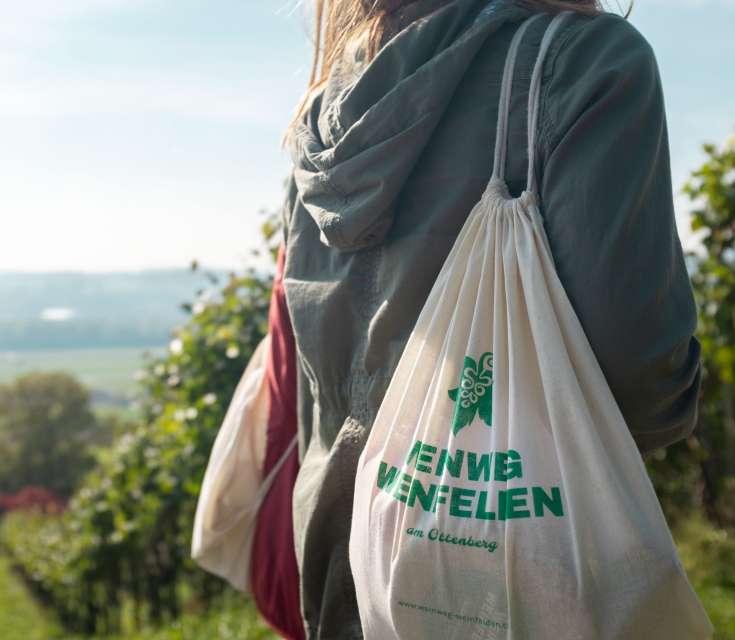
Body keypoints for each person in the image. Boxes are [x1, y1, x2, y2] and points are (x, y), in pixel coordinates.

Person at [276, 0, 701, 637]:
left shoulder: (324, 113)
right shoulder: (581, 63)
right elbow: (641, 383)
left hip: (347, 562)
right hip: (517, 572)